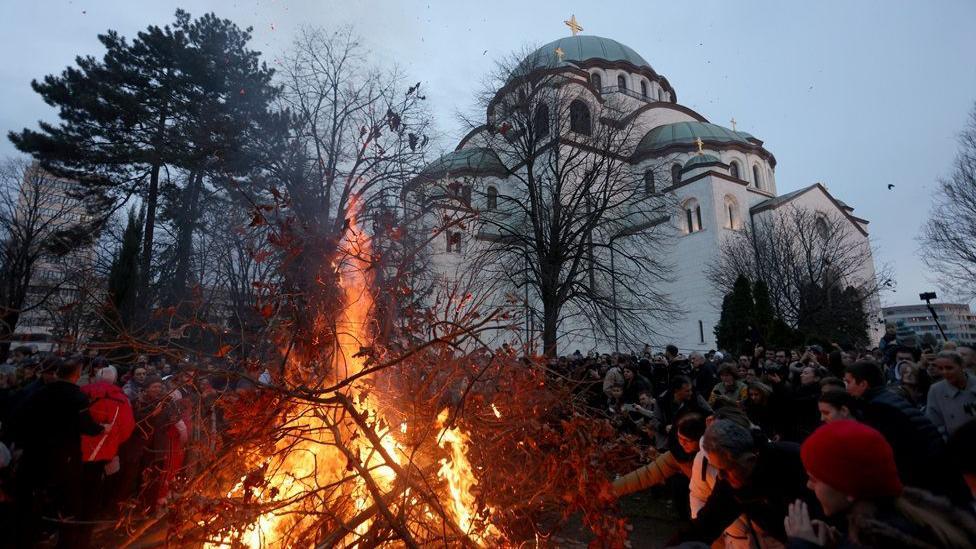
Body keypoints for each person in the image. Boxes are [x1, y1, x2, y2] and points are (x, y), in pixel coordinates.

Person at [785, 420, 976, 548]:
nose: (809, 485)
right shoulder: (920, 516)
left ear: (848, 488)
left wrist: (802, 546)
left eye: (815, 479)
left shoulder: (879, 539)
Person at [670, 419, 821, 546]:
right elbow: (706, 524)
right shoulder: (730, 482)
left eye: (725, 469)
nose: (720, 476)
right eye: (717, 469)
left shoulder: (794, 461)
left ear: (749, 459)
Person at [13, 357, 105, 547]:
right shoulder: (77, 397)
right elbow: (86, 426)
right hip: (65, 456)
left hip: (36, 452)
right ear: (76, 375)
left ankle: (30, 534)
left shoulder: (40, 392)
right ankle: (64, 539)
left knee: (35, 495)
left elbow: (21, 417)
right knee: (67, 499)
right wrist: (102, 428)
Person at [845, 360, 966, 502]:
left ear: (863, 384)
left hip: (926, 476)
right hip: (936, 469)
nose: (846, 387)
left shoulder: (878, 408)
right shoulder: (886, 398)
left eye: (849, 382)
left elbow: (896, 452)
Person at [80, 365, 136, 520]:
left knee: (81, 483)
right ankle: (91, 517)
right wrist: (115, 442)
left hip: (80, 448)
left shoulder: (82, 394)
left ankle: (75, 515)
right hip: (105, 449)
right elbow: (128, 426)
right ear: (115, 379)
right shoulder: (121, 399)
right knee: (98, 484)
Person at [612, 412, 706, 497]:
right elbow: (646, 475)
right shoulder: (677, 453)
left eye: (687, 440)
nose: (682, 443)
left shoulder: (711, 458)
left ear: (701, 439)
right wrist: (611, 490)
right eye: (680, 438)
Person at [925, 351, 976, 438]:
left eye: (949, 368)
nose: (944, 372)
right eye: (940, 368)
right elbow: (935, 424)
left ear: (962, 366)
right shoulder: (936, 390)